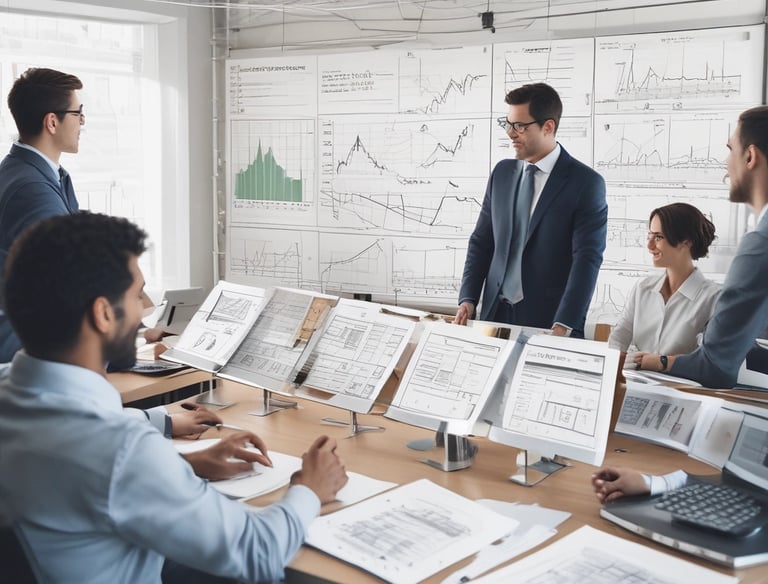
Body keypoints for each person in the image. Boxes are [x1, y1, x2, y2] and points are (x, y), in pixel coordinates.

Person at [0, 211, 348, 582]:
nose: (145, 310)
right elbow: (257, 553)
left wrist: (183, 466)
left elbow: (82, 465)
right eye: (137, 295)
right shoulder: (121, 451)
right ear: (103, 313)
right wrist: (310, 489)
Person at [0, 67, 211, 439]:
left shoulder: (40, 175)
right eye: (78, 113)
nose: (83, 122)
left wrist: (139, 331)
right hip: (32, 353)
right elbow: (67, 285)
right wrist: (128, 335)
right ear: (52, 121)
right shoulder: (31, 187)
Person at [455, 82, 607, 338]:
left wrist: (565, 323)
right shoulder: (502, 173)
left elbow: (587, 260)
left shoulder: (585, 183)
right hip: (493, 315)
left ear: (548, 127)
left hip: (549, 322)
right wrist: (468, 298)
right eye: (508, 124)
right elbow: (482, 241)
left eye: (520, 126)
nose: (510, 133)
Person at [635, 106, 768, 388]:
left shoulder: (760, 246)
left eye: (731, 149)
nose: (725, 161)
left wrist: (659, 361)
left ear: (750, 156)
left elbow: (715, 367)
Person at [608, 203, 720, 363]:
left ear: (686, 242)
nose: (649, 245)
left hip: (680, 385)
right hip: (637, 379)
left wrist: (659, 362)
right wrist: (616, 364)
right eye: (650, 236)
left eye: (658, 237)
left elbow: (708, 360)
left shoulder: (713, 298)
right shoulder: (643, 288)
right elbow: (620, 335)